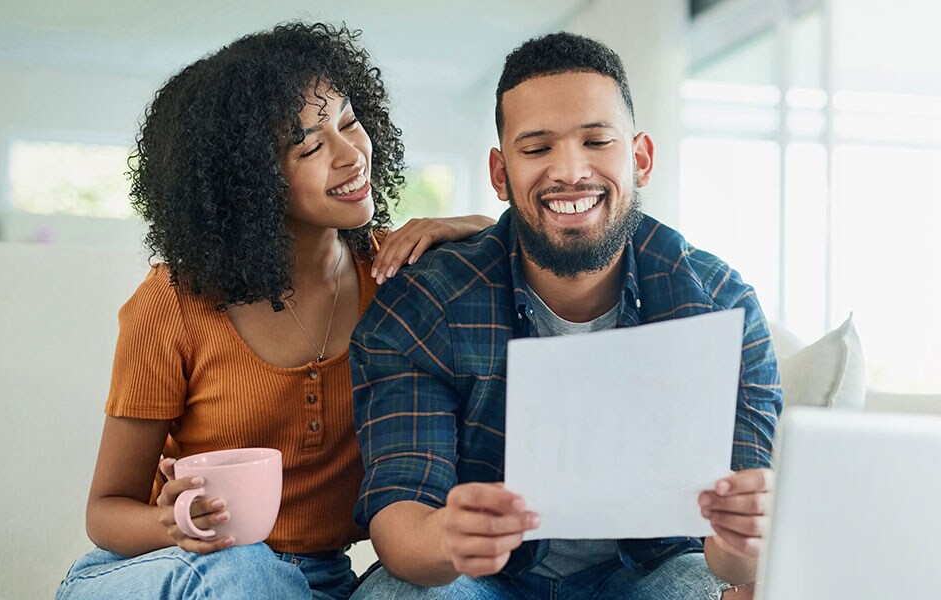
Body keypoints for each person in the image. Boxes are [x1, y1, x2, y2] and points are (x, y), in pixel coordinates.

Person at [57, 22, 494, 600]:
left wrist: (471, 226)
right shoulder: (172, 304)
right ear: (245, 184)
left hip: (323, 580)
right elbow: (105, 512)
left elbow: (510, 260)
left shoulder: (394, 275)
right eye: (309, 145)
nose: (349, 155)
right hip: (188, 567)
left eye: (348, 122)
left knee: (451, 588)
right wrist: (174, 521)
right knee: (246, 571)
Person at [348, 32, 780, 600]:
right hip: (484, 579)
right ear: (500, 176)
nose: (570, 171)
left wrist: (743, 539)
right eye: (536, 149)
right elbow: (401, 520)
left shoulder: (722, 305)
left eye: (597, 141)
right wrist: (447, 537)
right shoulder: (427, 303)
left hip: (653, 573)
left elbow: (730, 563)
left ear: (640, 158)